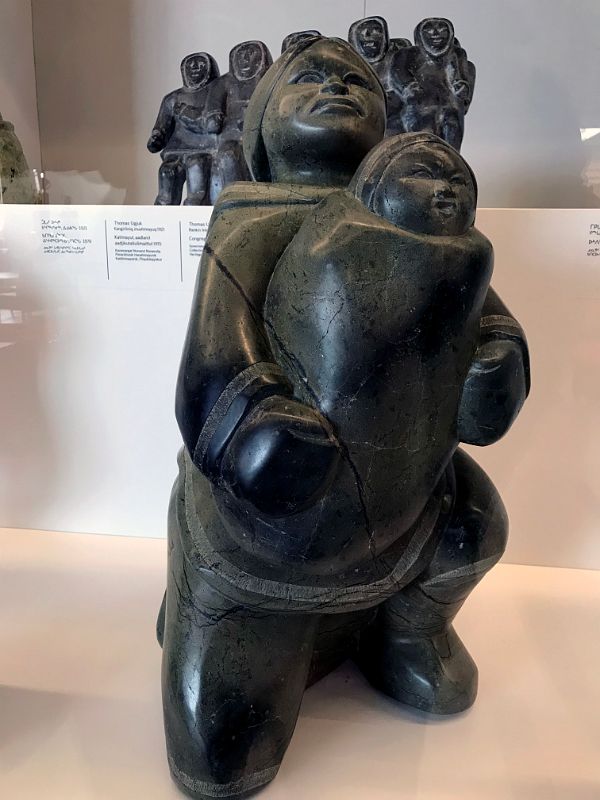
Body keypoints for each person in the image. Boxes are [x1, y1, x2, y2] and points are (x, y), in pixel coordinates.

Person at [159, 36, 528, 800]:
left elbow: (483, 318)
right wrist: (252, 422)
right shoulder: (250, 218)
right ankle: (230, 640)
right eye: (309, 78)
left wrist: (498, 365)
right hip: (266, 534)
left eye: (355, 79)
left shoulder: (423, 212)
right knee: (222, 762)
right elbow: (214, 355)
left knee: (473, 528)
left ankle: (406, 629)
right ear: (262, 127)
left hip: (411, 499)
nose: (336, 84)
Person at [177, 41, 272, 196]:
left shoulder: (271, 80)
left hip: (264, 136)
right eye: (240, 55)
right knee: (228, 155)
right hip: (231, 139)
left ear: (262, 57)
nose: (245, 59)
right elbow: (212, 117)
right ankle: (235, 199)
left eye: (251, 53)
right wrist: (211, 117)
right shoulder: (223, 83)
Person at [387, 17, 475, 147]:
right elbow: (398, 72)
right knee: (423, 136)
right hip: (419, 107)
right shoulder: (408, 54)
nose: (435, 33)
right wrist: (408, 86)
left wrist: (462, 87)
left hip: (449, 109)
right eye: (429, 30)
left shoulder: (457, 54)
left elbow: (461, 78)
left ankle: (447, 157)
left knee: (451, 134)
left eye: (442, 29)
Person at [147, 52, 220, 205]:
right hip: (175, 151)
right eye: (190, 65)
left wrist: (188, 114)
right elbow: (162, 125)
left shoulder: (215, 95)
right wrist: (157, 137)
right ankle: (163, 209)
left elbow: (213, 122)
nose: (194, 68)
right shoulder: (172, 98)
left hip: (203, 150)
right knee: (167, 172)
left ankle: (194, 207)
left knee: (196, 168)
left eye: (200, 64)